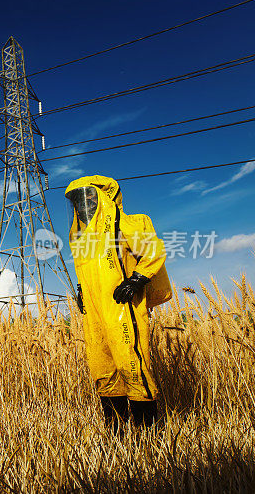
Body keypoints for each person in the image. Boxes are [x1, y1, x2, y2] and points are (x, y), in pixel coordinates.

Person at [65, 175, 170, 431]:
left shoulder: (127, 224)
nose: (82, 204)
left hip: (122, 306)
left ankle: (147, 432)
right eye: (77, 200)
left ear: (103, 196)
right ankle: (116, 431)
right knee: (102, 366)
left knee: (131, 363)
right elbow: (86, 272)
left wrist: (136, 280)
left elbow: (153, 251)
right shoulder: (80, 237)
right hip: (94, 311)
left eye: (88, 196)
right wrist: (82, 292)